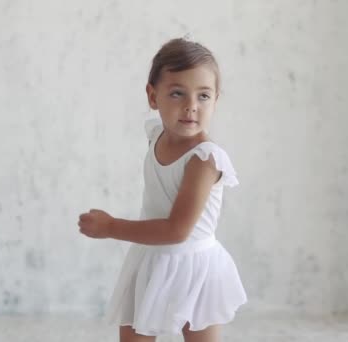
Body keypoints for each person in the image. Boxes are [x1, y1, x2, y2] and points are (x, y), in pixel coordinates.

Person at [78, 37, 247, 342]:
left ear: (216, 100)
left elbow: (177, 231)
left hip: (195, 266)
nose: (191, 107)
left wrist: (110, 226)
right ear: (153, 97)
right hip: (149, 258)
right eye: (177, 93)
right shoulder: (155, 134)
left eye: (204, 96)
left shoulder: (205, 159)